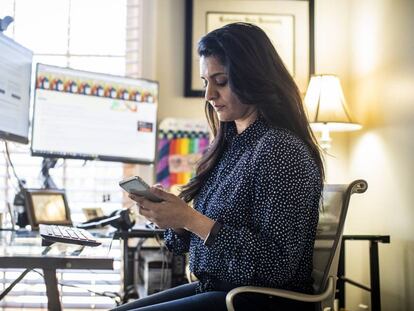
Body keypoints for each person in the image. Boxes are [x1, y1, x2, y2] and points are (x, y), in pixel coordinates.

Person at [112, 22, 324, 311]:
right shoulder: (232, 146)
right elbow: (194, 239)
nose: (209, 95)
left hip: (257, 301)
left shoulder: (280, 150)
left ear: (254, 79)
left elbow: (276, 265)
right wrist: (172, 217)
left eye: (221, 81)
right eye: (205, 82)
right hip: (222, 291)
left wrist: (190, 219)